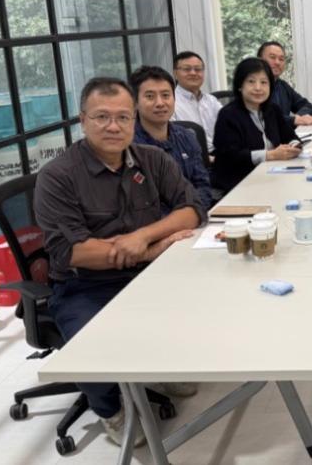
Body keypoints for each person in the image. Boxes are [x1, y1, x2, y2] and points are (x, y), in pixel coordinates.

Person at [34, 77, 205, 446]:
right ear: (83, 120)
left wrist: (142, 236)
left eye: (123, 117)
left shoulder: (153, 159)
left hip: (149, 272)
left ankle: (157, 369)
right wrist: (151, 248)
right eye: (102, 117)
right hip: (84, 283)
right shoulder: (58, 176)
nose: (113, 126)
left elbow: (192, 209)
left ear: (133, 119)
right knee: (91, 341)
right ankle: (110, 407)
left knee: (206, 301)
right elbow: (74, 252)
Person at [129, 65, 215, 210]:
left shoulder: (187, 137)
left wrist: (191, 213)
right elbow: (142, 204)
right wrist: (180, 217)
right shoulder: (128, 147)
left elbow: (203, 186)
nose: (160, 103)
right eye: (150, 96)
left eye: (166, 95)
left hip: (195, 216)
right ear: (135, 103)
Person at [212, 57, 301, 194]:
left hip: (271, 174)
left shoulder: (272, 110)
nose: (258, 88)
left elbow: (290, 136)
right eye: (251, 82)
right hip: (239, 183)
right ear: (240, 86)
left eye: (264, 82)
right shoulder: (228, 115)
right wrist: (269, 155)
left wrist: (294, 146)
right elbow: (231, 156)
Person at [171, 51, 221, 152]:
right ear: (175, 74)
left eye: (198, 69)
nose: (193, 73)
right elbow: (174, 140)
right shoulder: (171, 102)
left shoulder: (212, 100)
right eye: (187, 69)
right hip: (191, 156)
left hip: (220, 152)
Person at [257, 41, 312, 127]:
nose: (277, 62)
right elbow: (261, 119)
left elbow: (307, 106)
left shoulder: (282, 86)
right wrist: (292, 120)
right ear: (259, 60)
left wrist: (298, 117)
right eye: (272, 57)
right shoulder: (255, 88)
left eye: (281, 59)